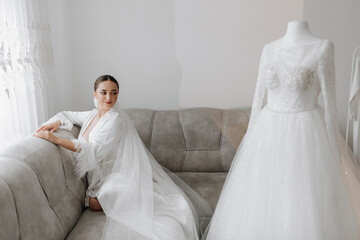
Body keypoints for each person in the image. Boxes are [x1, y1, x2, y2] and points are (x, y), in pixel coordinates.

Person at [203, 21, 360, 240]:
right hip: (269, 131)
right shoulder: (269, 49)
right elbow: (257, 98)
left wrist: (335, 150)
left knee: (303, 197)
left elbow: (331, 105)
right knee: (263, 197)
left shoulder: (322, 48)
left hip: (306, 132)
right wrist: (250, 140)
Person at [34, 75, 212, 240]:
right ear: (95, 93)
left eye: (113, 93)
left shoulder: (114, 121)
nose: (108, 98)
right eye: (103, 92)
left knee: (97, 203)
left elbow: (92, 150)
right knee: (98, 202)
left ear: (118, 95)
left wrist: (55, 139)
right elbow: (66, 115)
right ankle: (134, 195)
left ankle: (147, 198)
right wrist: (56, 123)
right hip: (99, 176)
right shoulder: (91, 115)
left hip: (115, 174)